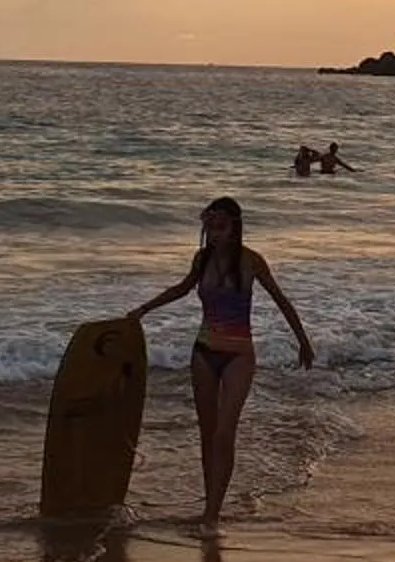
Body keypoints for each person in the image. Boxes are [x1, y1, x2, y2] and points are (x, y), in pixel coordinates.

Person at [131, 197, 316, 527]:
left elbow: (281, 300)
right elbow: (181, 289)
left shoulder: (251, 261)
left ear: (234, 228)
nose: (214, 234)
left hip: (239, 355)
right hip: (203, 352)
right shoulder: (202, 260)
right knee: (207, 433)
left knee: (224, 433)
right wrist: (143, 310)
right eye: (209, 227)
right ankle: (209, 507)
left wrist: (303, 341)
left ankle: (213, 514)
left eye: (220, 227)